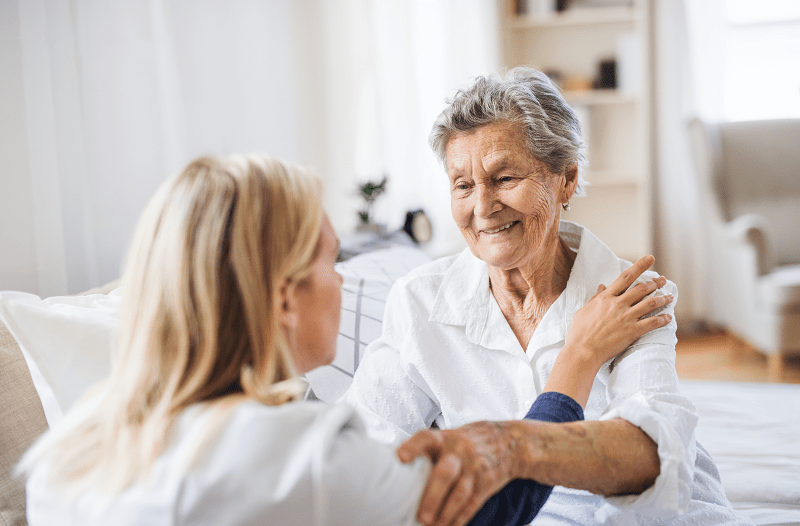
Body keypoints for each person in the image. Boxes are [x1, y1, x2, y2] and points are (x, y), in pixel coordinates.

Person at [18, 154, 673, 526]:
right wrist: (579, 358)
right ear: (281, 297)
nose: (342, 280)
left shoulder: (65, 454)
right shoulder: (306, 456)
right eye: (332, 262)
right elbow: (495, 510)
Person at [345, 68, 753, 525]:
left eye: (504, 178)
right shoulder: (419, 303)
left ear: (566, 179)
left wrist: (512, 445)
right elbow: (365, 456)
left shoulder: (630, 297)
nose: (482, 207)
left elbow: (650, 458)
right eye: (463, 185)